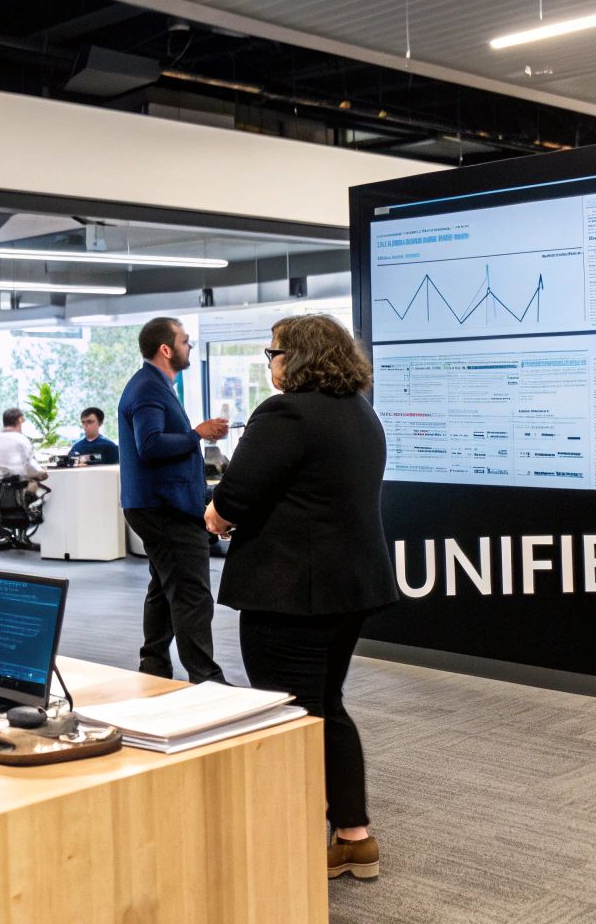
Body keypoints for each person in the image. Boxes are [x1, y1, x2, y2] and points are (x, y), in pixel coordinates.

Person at [204, 315, 399, 881]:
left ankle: (288, 847)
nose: (270, 361)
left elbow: (237, 494)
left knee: (289, 715)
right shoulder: (360, 412)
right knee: (325, 705)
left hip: (290, 592)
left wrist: (217, 516)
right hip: (351, 588)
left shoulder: (285, 413)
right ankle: (354, 837)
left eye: (273, 351)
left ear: (296, 357)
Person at [119, 316, 230, 683]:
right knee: (191, 593)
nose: (189, 348)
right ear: (166, 349)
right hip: (163, 508)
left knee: (165, 588)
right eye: (185, 342)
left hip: (158, 504)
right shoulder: (148, 389)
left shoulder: (155, 386)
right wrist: (196, 433)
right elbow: (149, 445)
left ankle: (153, 665)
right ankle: (206, 678)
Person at [0, 407, 48, 481]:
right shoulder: (21, 439)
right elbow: (29, 467)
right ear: (20, 420)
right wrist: (42, 471)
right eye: (23, 420)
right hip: (10, 487)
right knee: (36, 481)